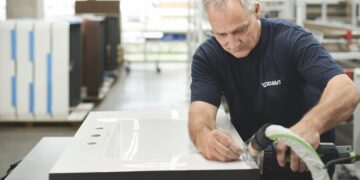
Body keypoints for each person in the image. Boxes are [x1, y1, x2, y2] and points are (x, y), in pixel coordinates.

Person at [188, 0, 360, 179]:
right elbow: (200, 113)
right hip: (253, 166)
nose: (233, 43)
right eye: (221, 34)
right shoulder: (208, 56)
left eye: (240, 30)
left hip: (307, 167)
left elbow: (346, 90)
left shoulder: (291, 39)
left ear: (256, 10)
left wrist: (310, 126)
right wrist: (204, 138)